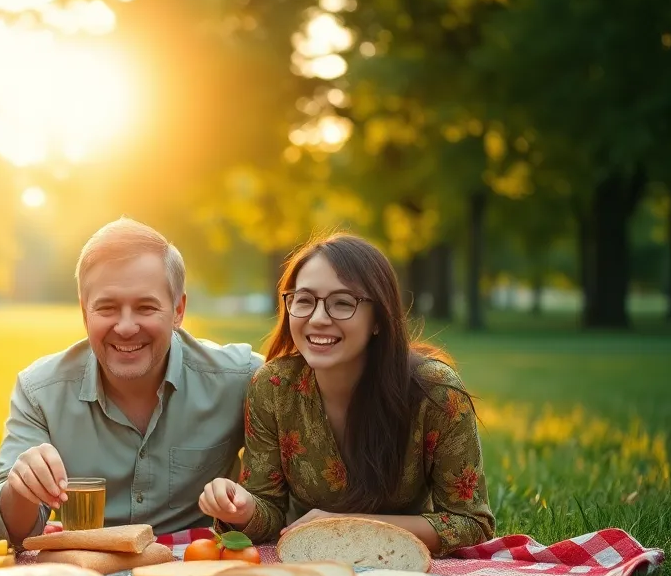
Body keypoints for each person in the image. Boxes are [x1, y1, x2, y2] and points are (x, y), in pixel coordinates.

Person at [197, 234, 495, 555]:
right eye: (305, 300)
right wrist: (242, 510)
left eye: (343, 303)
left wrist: (343, 523)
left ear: (378, 319)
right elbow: (268, 511)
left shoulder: (436, 393)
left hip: (400, 561)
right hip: (311, 561)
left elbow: (471, 524)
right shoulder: (273, 386)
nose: (318, 319)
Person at [0, 217, 264, 544]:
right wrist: (22, 487)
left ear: (178, 310)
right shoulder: (40, 391)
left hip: (197, 568)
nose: (126, 327)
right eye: (108, 308)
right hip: (87, 568)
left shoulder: (242, 379)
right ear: (85, 311)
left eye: (145, 307)